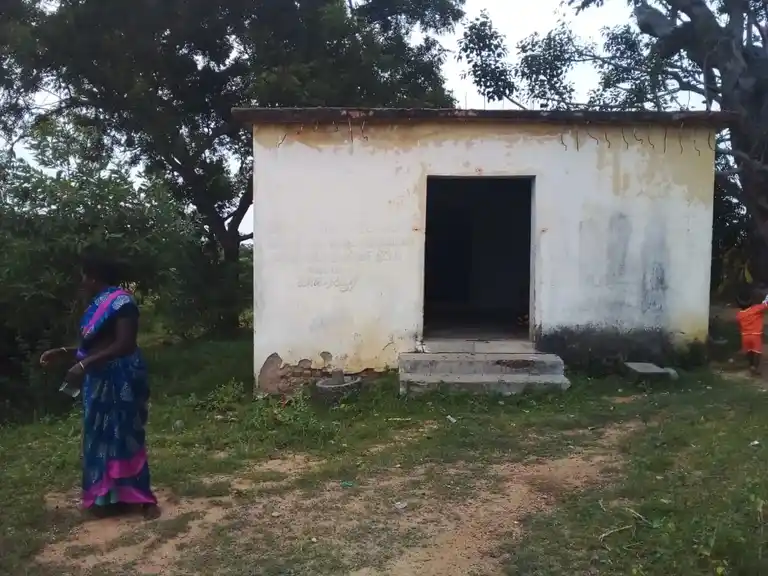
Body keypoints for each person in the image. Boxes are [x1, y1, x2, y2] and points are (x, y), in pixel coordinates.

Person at [40, 253, 159, 519]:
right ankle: (108, 498)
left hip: (123, 379)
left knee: (127, 435)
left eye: (84, 277)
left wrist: (83, 366)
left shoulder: (122, 302)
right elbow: (95, 347)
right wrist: (63, 352)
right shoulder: (96, 305)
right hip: (99, 380)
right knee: (99, 438)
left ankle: (145, 499)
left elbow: (124, 344)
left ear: (94, 277)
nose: (82, 283)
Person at [736, 291, 768, 375]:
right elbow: (766, 305)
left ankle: (751, 365)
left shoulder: (739, 315)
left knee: (749, 352)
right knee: (757, 353)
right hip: (755, 336)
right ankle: (755, 368)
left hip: (745, 336)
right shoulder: (756, 309)